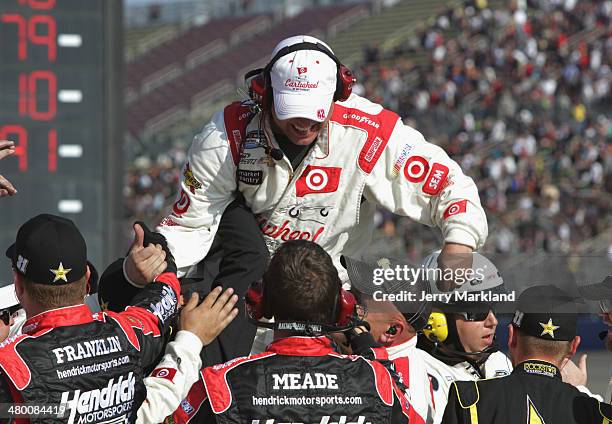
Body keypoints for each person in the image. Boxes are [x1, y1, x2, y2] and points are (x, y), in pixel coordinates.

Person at [123, 34, 488, 289]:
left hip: (331, 296)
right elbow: (190, 225)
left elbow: (449, 185)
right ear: (264, 94)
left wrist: (459, 241)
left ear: (338, 94)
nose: (304, 123)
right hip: (242, 293)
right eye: (292, 110)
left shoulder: (371, 132)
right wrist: (149, 265)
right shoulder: (224, 136)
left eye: (316, 111)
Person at [162, 240, 418, 423]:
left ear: (261, 302)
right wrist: (372, 355)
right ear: (341, 307)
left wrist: (188, 341)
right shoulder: (377, 381)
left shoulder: (221, 385)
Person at [0, 214, 187, 423]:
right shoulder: (126, 334)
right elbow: (161, 302)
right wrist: (164, 262)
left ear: (18, 285)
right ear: (88, 277)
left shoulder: (10, 365)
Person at [441, 285, 612, 423]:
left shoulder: (469, 400)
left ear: (511, 337)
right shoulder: (596, 413)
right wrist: (579, 389)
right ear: (573, 347)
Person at [340, 255, 435, 423]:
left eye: (356, 299)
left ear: (391, 331)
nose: (344, 299)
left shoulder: (409, 391)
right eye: (348, 288)